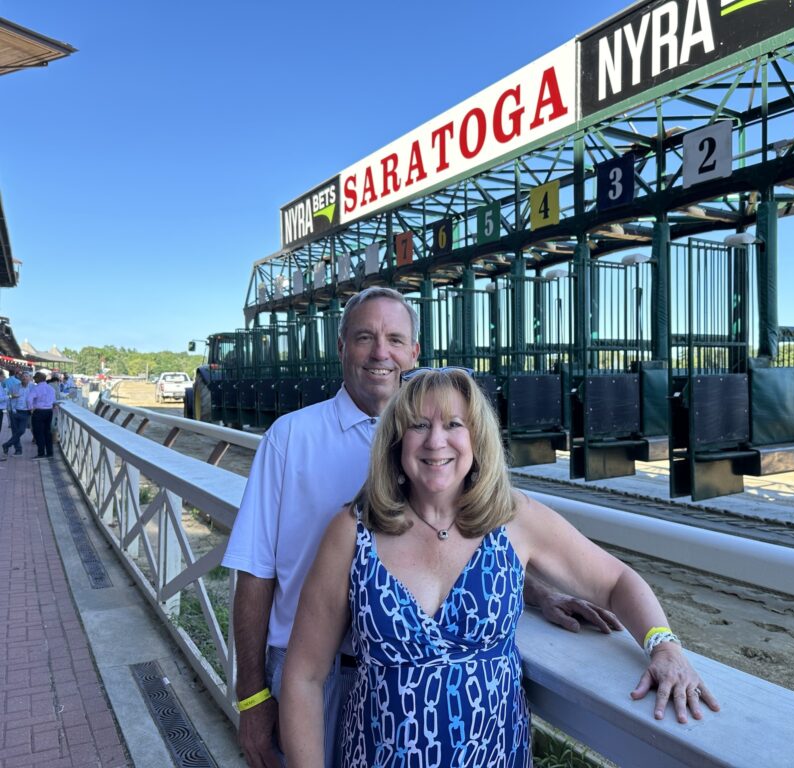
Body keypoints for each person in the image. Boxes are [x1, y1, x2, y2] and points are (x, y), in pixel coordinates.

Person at [222, 287, 619, 768]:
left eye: (394, 338)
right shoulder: (290, 438)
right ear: (342, 345)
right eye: (364, 337)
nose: (379, 352)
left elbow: (456, 546)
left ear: (414, 352)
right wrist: (251, 697)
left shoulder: (428, 451)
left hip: (411, 693)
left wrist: (534, 589)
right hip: (313, 677)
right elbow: (254, 572)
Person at [281, 368, 719, 768]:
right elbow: (305, 675)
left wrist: (664, 647)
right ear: (397, 440)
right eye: (419, 425)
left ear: (477, 438)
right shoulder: (352, 531)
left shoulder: (514, 519)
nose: (436, 441)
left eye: (454, 424)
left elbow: (617, 580)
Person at [2, 372, 32, 458]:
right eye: (23, 377)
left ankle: (6, 444)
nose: (24, 378)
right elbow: (9, 397)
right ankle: (18, 450)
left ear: (30, 378)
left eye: (26, 376)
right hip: (14, 411)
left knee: (22, 430)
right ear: (20, 378)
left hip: (25, 412)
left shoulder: (33, 387)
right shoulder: (14, 387)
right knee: (15, 432)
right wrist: (10, 409)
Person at [28, 371, 56, 458]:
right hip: (48, 411)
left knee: (38, 433)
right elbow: (54, 401)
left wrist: (30, 409)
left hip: (39, 411)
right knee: (47, 432)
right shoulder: (51, 388)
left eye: (35, 378)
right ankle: (50, 453)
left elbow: (29, 399)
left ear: (39, 379)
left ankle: (41, 453)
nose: (34, 379)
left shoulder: (36, 388)